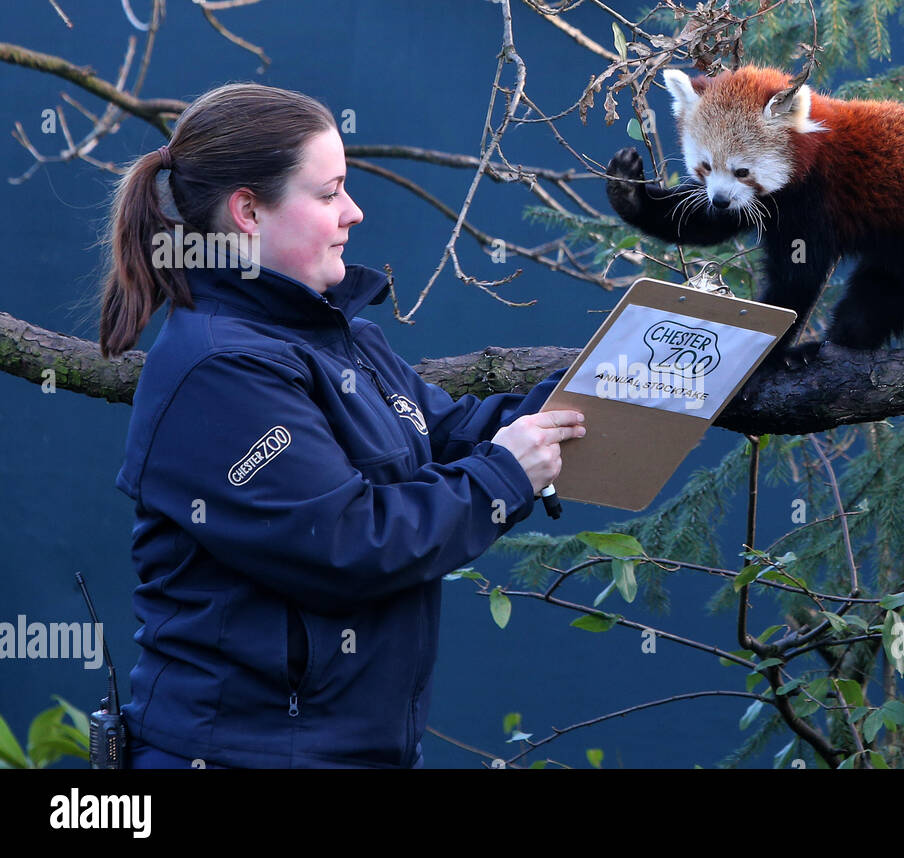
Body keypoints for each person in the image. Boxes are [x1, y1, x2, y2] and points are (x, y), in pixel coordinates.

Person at [98, 82, 584, 768]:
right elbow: (346, 543)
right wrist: (504, 478)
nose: (354, 213)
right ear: (247, 211)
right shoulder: (218, 370)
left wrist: (603, 390)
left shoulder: (340, 336)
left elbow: (450, 434)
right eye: (328, 194)